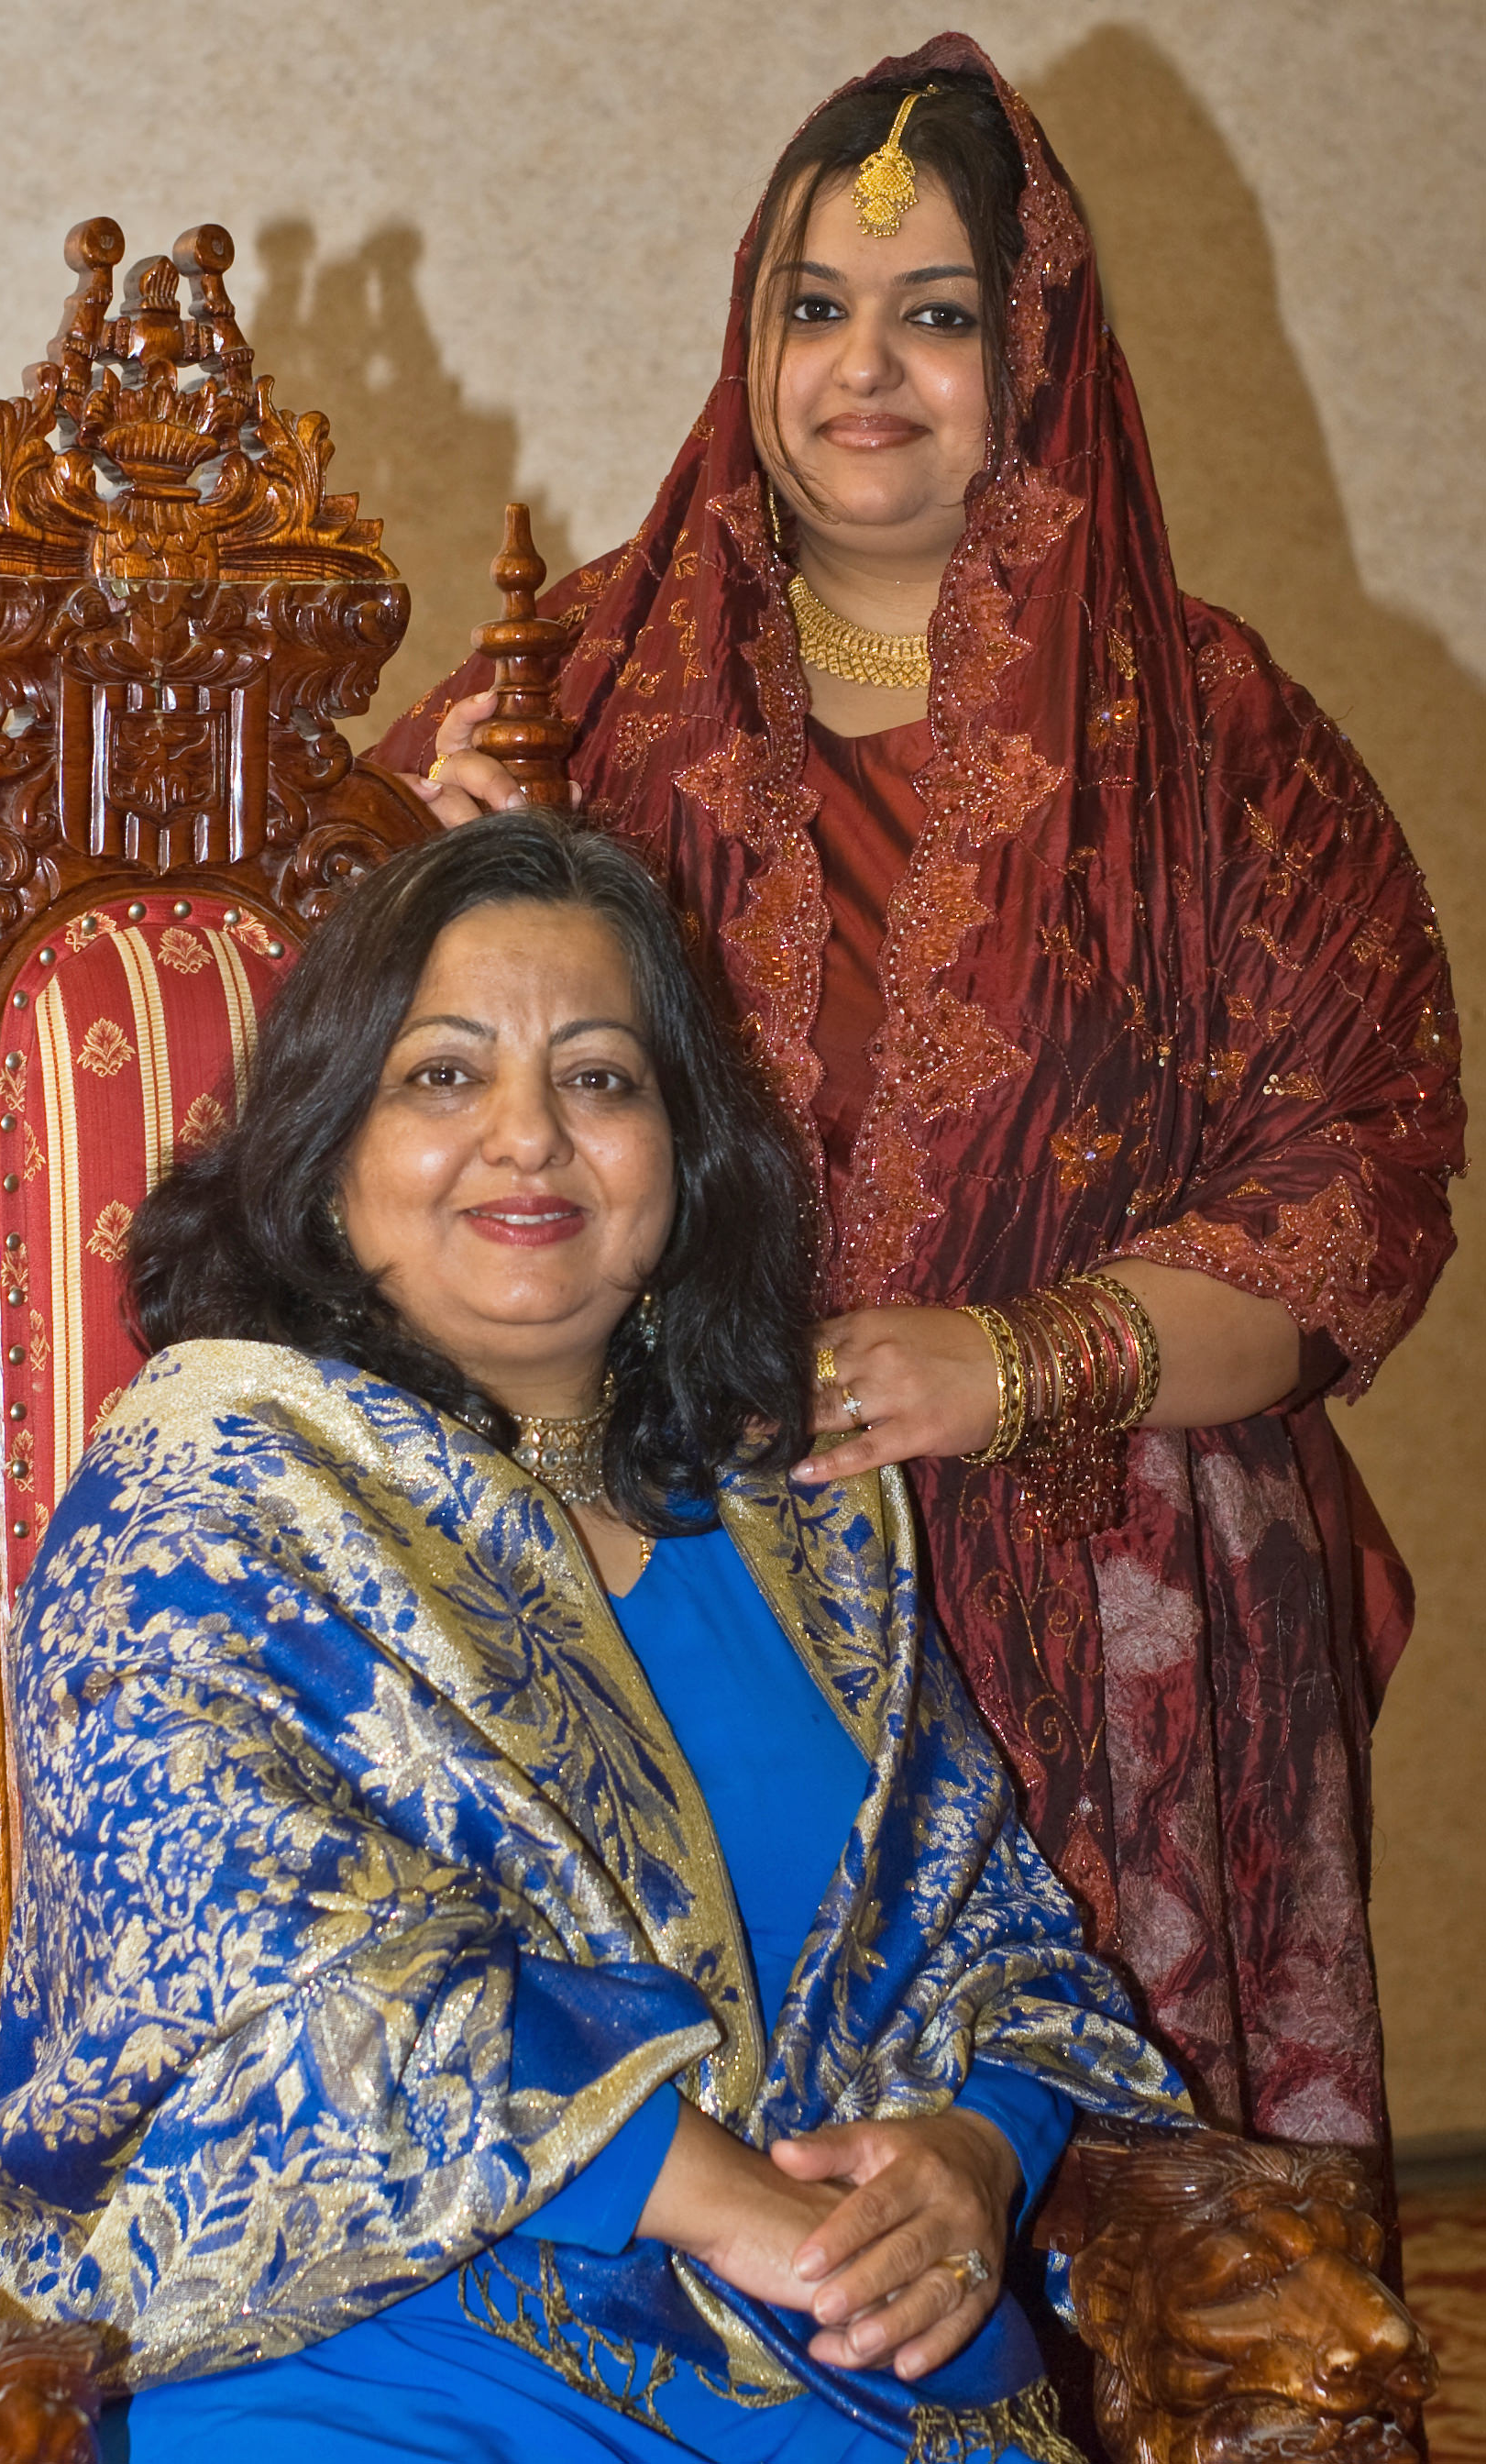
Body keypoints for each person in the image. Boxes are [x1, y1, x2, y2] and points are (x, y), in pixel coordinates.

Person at [375, 38, 1464, 2159]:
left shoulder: (1220, 741)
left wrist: (1009, 1362)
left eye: (936, 313)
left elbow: (1355, 1199)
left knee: (1127, 2266)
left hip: (1105, 1595)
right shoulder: (559, 701)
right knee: (734, 2235)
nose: (861, 367)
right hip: (676, 1573)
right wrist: (419, 891)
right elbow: (364, 1135)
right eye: (814, 305)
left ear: (1037, 359)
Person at [0, 814, 1186, 2464]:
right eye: (442, 1076)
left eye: (599, 1078)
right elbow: (254, 1970)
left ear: (685, 1156)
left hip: (848, 2351)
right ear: (326, 1152)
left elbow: (990, 1932)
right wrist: (729, 2207)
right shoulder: (204, 1493)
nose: (528, 1137)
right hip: (380, 2355)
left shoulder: (802, 1508)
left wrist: (977, 2153)